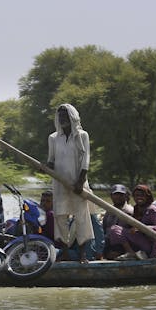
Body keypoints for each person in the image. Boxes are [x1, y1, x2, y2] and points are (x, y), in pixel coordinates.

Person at [47, 103, 94, 263]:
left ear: (72, 117)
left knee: (81, 217)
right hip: (60, 184)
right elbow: (51, 161)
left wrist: (80, 181)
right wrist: (46, 166)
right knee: (60, 217)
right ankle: (65, 251)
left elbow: (85, 160)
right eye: (60, 117)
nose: (62, 119)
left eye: (65, 116)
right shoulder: (53, 138)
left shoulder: (82, 135)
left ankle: (82, 254)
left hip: (77, 183)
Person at [109, 184, 156, 260]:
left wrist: (142, 228)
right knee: (114, 230)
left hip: (149, 244)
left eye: (142, 195)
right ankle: (129, 252)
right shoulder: (136, 209)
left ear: (147, 196)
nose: (139, 197)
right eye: (136, 195)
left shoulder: (152, 209)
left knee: (115, 229)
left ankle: (131, 253)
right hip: (138, 241)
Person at [102, 184, 134, 259]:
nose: (118, 197)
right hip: (108, 242)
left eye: (121, 195)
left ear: (125, 196)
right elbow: (104, 228)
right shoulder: (109, 210)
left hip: (121, 244)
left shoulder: (129, 210)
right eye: (116, 194)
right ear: (111, 196)